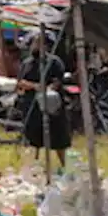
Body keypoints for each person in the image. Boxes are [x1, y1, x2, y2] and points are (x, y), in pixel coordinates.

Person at [18, 32, 72, 170]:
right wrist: (35, 86)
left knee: (58, 137)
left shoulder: (54, 62)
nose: (35, 45)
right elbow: (21, 82)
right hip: (32, 104)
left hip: (52, 104)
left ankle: (64, 166)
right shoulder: (27, 63)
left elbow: (57, 82)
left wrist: (47, 90)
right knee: (34, 137)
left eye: (38, 42)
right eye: (34, 43)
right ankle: (34, 166)